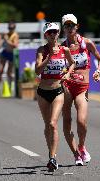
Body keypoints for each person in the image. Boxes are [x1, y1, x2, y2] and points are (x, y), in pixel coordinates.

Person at [61, 14, 100, 166]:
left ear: (77, 27)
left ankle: (81, 146)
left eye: (72, 25)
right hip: (66, 87)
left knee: (81, 122)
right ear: (63, 29)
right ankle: (76, 154)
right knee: (67, 121)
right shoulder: (63, 47)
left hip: (82, 88)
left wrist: (98, 71)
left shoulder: (86, 43)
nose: (69, 28)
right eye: (66, 26)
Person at [35, 22, 75, 172]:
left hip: (58, 90)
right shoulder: (41, 50)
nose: (53, 34)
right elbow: (37, 71)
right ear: (46, 34)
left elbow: (72, 63)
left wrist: (68, 73)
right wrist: (49, 57)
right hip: (42, 92)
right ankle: (51, 153)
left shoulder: (64, 49)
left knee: (53, 124)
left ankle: (53, 158)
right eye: (50, 32)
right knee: (47, 125)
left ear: (58, 33)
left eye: (55, 32)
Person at [0, 21, 19, 94]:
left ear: (14, 28)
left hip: (11, 54)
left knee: (9, 72)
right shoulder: (6, 34)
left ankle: (10, 85)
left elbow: (15, 45)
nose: (10, 29)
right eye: (9, 28)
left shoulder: (15, 35)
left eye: (11, 28)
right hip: (5, 52)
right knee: (0, 70)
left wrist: (7, 40)